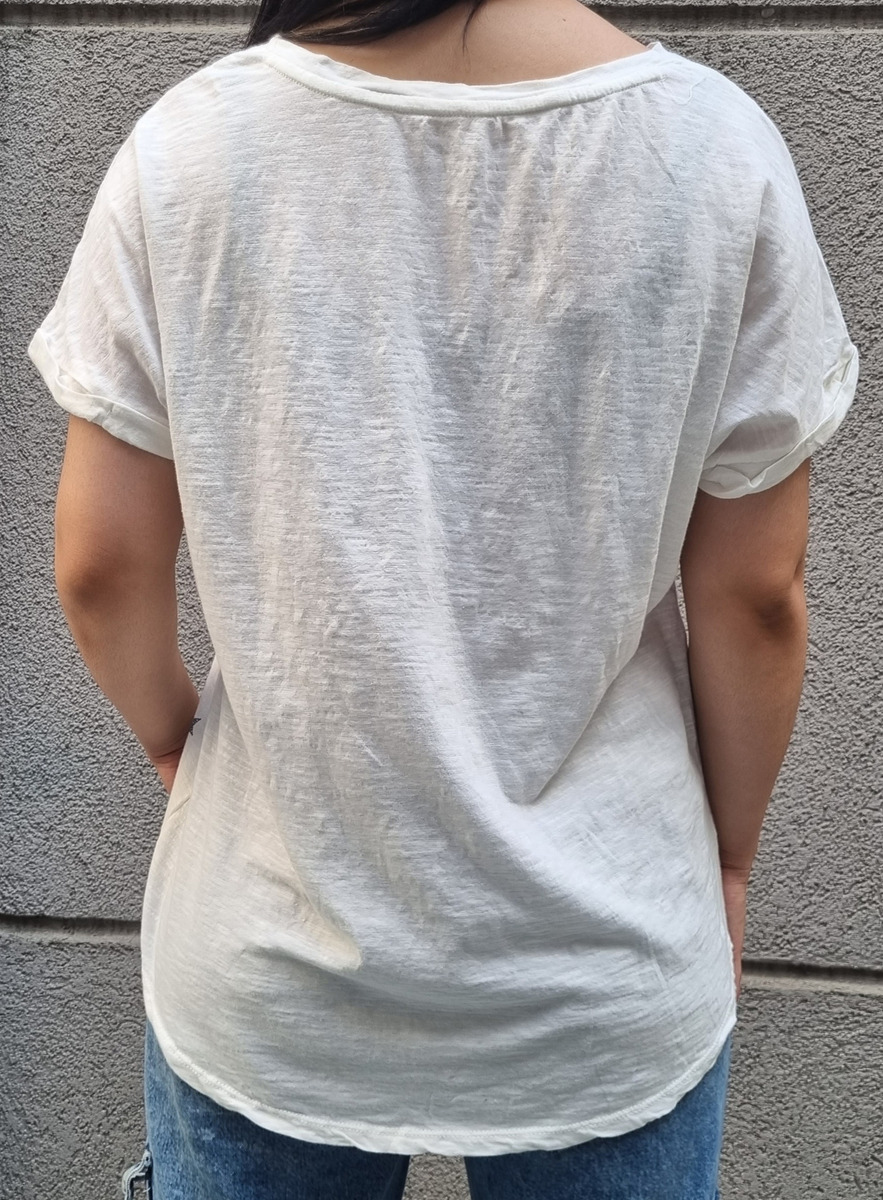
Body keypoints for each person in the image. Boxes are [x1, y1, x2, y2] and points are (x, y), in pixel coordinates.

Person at [27, 0, 860, 1196]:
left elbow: (102, 565)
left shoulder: (190, 149)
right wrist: (724, 864)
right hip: (603, 960)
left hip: (268, 954)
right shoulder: (718, 152)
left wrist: (175, 741)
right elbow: (756, 595)